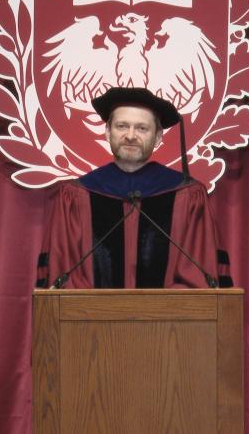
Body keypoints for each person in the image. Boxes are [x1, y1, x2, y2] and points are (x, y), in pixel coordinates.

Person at [36, 87, 233, 289]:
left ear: (158, 137)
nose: (130, 136)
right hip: (91, 319)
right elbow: (62, 275)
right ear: (107, 132)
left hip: (168, 319)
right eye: (122, 126)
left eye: (142, 128)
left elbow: (198, 279)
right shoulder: (76, 195)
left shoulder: (188, 195)